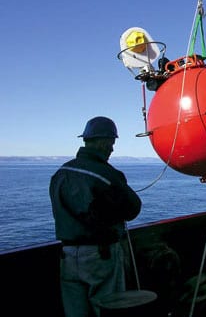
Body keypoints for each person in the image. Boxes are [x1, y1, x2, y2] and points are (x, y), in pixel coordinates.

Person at [49, 116, 142, 317]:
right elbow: (133, 209)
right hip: (100, 257)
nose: (112, 149)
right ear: (102, 141)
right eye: (112, 142)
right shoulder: (107, 174)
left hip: (67, 258)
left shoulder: (60, 174)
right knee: (109, 310)